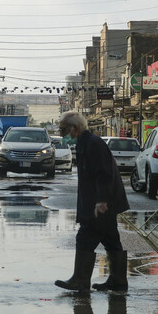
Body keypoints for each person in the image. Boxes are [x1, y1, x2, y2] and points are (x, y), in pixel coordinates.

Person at [54, 111, 130, 292]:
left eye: (64, 129)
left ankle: (80, 280)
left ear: (75, 128)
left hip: (102, 204)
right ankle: (118, 281)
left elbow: (103, 174)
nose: (62, 134)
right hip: (100, 202)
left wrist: (101, 201)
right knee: (111, 239)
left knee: (85, 238)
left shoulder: (93, 144)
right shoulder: (85, 143)